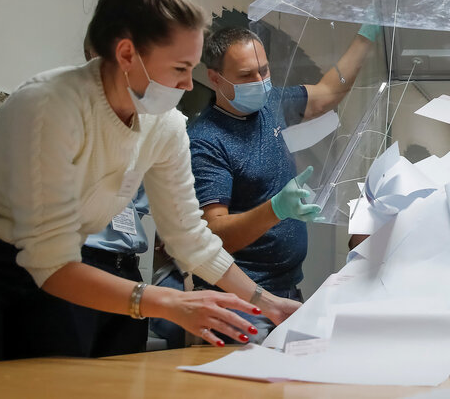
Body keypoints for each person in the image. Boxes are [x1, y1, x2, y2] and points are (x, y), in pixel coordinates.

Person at [0, 0, 300, 362]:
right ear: (126, 54)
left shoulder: (165, 125)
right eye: (180, 68)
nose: (188, 84)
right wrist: (168, 301)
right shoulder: (50, 107)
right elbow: (50, 265)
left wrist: (267, 304)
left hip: (85, 269)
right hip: (7, 270)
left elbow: (190, 238)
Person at [152, 24, 378, 344]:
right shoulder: (206, 142)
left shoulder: (269, 104)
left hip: (284, 289)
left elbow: (327, 93)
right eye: (246, 76)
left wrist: (366, 37)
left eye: (264, 70)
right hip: (237, 300)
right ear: (215, 77)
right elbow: (213, 235)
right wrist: (275, 209)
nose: (260, 83)